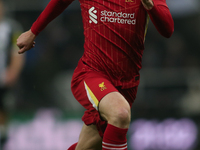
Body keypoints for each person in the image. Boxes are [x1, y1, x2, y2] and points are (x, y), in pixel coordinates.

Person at [16, 0, 174, 149]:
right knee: (120, 113)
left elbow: (168, 30)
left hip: (127, 85)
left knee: (87, 147)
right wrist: (33, 31)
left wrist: (149, 3)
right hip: (92, 74)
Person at [0, 0, 25, 148]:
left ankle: (2, 138)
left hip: (3, 79)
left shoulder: (11, 28)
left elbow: (17, 52)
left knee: (3, 108)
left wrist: (13, 71)